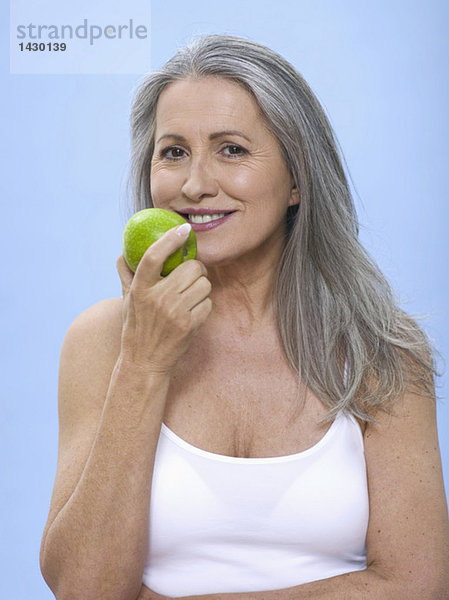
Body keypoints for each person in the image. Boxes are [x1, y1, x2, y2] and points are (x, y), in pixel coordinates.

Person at [40, 34, 449, 599]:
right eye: (173, 151)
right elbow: (83, 590)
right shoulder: (103, 341)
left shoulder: (381, 349)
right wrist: (143, 364)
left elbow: (417, 585)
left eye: (231, 149)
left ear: (297, 182)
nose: (195, 185)